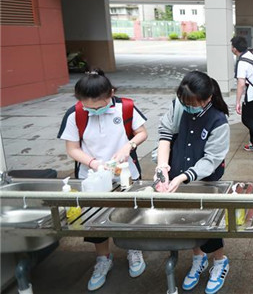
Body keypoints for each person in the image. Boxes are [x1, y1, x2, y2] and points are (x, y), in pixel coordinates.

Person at [58, 70, 148, 291]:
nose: (94, 111)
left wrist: (128, 146)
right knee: (95, 219)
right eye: (89, 107)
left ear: (111, 94)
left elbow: (141, 132)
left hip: (126, 173)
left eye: (99, 106)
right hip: (92, 176)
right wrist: (93, 163)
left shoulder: (125, 107)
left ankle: (134, 249)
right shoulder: (75, 114)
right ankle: (103, 258)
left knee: (130, 213)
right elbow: (72, 148)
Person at [156, 71, 231, 294]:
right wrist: (162, 167)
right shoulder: (179, 105)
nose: (187, 107)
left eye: (192, 104)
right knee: (187, 220)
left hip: (205, 178)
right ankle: (198, 259)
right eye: (184, 103)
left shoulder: (218, 120)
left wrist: (183, 176)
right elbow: (165, 135)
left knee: (208, 224)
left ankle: (220, 261)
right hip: (178, 172)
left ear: (207, 99)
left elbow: (211, 159)